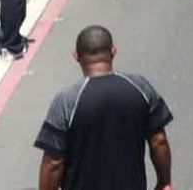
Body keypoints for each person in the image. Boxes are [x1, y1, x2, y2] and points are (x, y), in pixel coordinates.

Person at [34, 25, 173, 190]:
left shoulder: (66, 101)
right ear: (113, 51)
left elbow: (53, 163)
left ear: (76, 55)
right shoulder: (140, 87)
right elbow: (159, 141)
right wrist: (164, 182)